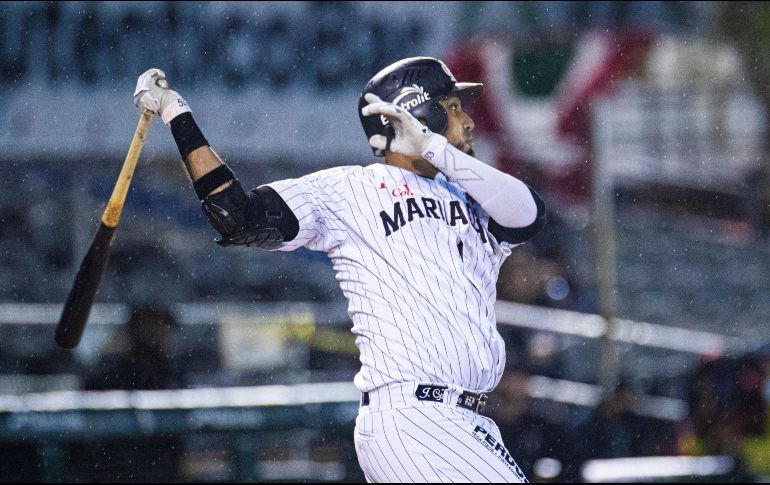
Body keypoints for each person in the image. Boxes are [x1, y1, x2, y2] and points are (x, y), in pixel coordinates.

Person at [133, 56, 546, 483]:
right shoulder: (351, 189)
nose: (469, 120)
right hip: (415, 417)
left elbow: (531, 215)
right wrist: (176, 113)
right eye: (453, 106)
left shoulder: (475, 197)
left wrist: (433, 147)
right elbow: (236, 216)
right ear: (417, 108)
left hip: (471, 423)